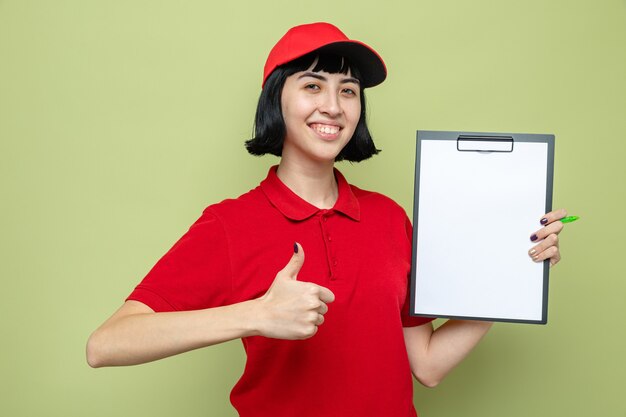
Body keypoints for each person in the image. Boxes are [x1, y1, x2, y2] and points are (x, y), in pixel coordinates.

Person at [86, 22, 567, 417]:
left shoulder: (389, 218)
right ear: (277, 99)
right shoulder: (232, 224)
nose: (333, 106)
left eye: (348, 91)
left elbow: (428, 365)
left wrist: (512, 272)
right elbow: (106, 345)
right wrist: (254, 315)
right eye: (312, 86)